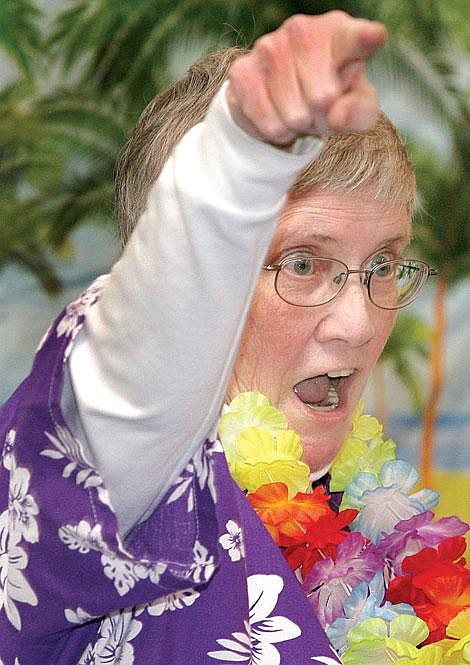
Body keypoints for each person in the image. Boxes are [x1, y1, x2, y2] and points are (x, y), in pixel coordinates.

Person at [0, 11, 435, 664]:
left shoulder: (387, 538)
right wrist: (242, 152)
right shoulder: (113, 481)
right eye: (303, 263)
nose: (360, 322)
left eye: (381, 265)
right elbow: (135, 378)